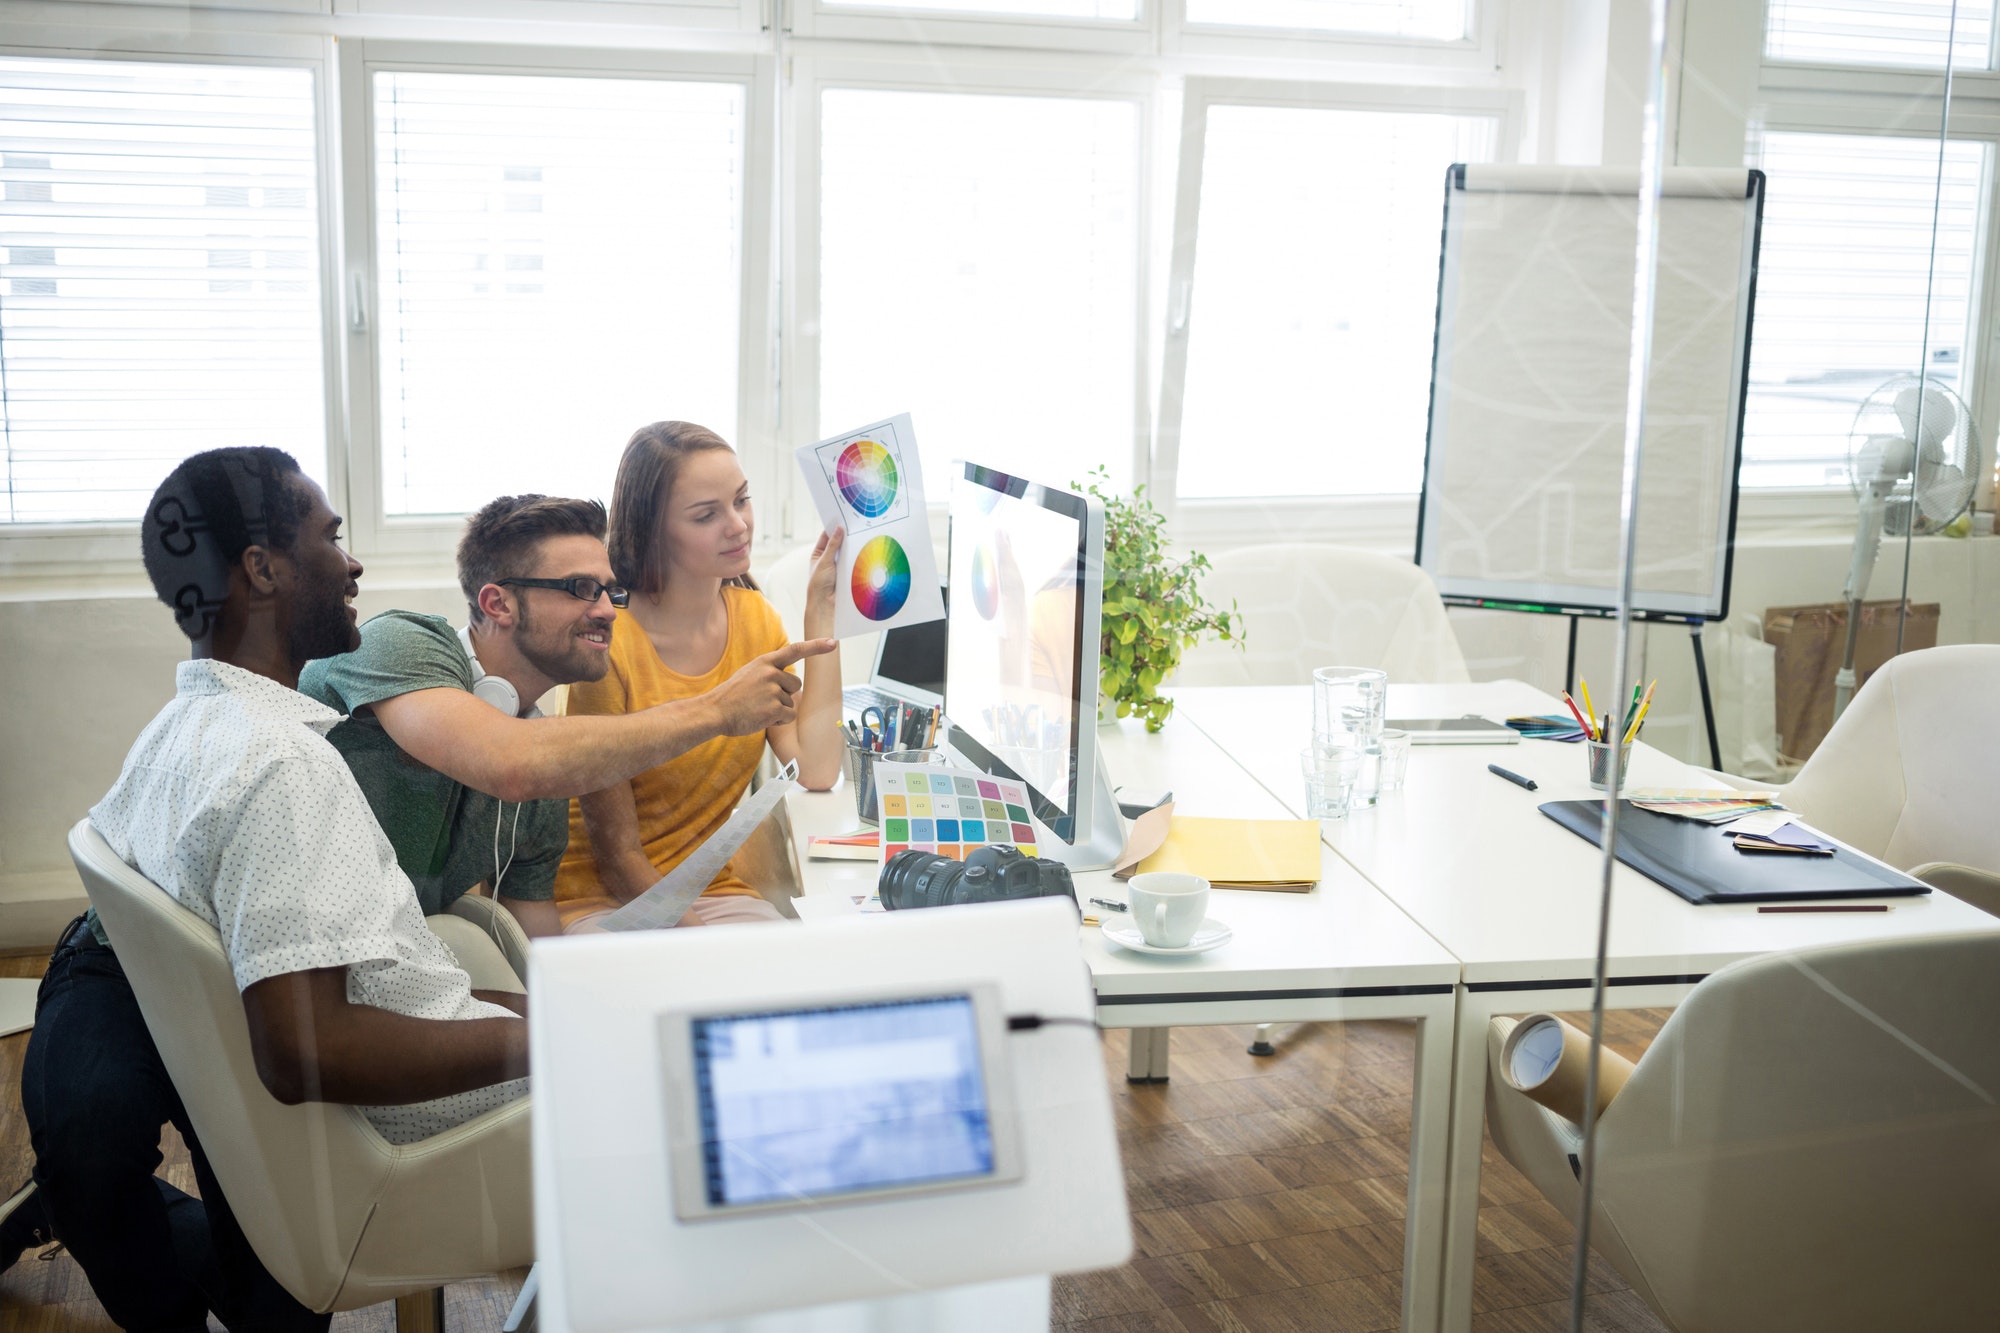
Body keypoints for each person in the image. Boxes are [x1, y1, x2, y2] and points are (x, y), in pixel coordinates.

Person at [17, 448, 526, 1331]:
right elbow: (304, 1045)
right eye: (331, 536)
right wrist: (544, 1040)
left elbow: (390, 992)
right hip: (416, 1119)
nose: (354, 560)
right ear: (262, 567)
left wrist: (529, 1011)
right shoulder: (280, 767)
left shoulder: (197, 716)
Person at [297, 494, 834, 937]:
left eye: (608, 590)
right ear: (497, 604)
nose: (605, 610)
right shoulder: (398, 643)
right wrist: (716, 709)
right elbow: (508, 762)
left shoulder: (546, 770)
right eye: (580, 589)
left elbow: (540, 949)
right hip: (299, 971)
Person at [554, 421, 845, 930]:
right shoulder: (609, 647)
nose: (738, 525)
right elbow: (619, 859)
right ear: (651, 532)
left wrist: (821, 611)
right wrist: (700, 942)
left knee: (807, 975)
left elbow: (817, 770)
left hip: (707, 887)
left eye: (742, 500)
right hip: (602, 899)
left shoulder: (757, 621)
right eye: (707, 515)